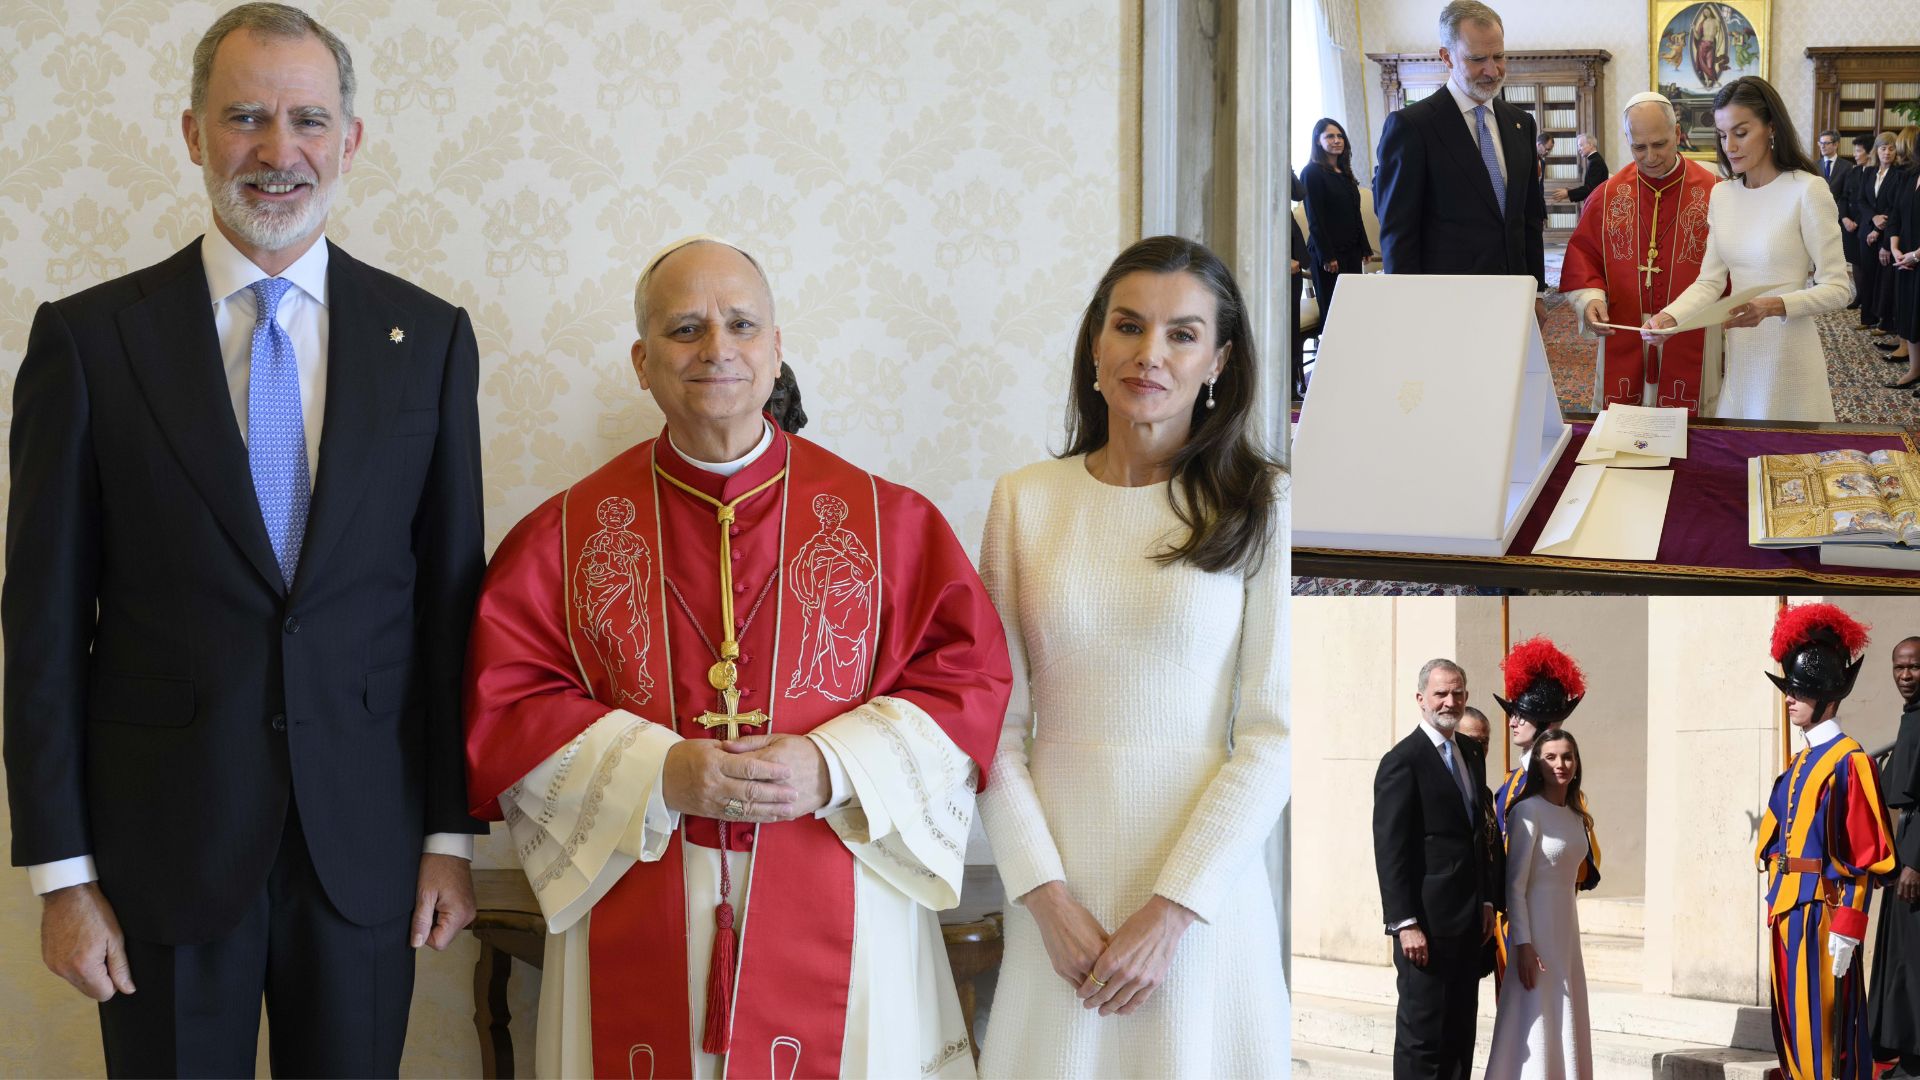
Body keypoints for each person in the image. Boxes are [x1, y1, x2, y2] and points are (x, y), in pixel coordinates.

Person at [1, 5, 485, 1074]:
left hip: (366, 851)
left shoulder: (429, 340)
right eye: (245, 118)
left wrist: (450, 837)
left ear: (349, 140)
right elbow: (41, 629)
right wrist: (62, 875)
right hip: (161, 854)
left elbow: (453, 610)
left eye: (308, 119)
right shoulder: (88, 341)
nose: (279, 150)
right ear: (193, 134)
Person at [462, 237, 1013, 1078]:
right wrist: (657, 772)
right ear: (642, 362)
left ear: (777, 348)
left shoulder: (889, 522)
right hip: (643, 875)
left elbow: (966, 682)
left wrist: (833, 766)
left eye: (742, 324)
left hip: (838, 873)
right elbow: (509, 704)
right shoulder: (563, 535)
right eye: (685, 328)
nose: (717, 347)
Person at [975, 236, 1285, 1078]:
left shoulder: (1262, 502)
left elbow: (1274, 733)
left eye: (1183, 334)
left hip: (1203, 901)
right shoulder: (1024, 502)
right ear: (1095, 342)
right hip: (1058, 896)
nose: (1151, 353)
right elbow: (992, 727)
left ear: (1219, 361)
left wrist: (1174, 908)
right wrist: (1045, 898)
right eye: (1129, 325)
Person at [1645, 76, 1852, 421]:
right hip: (1742, 353)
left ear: (1771, 127)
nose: (1730, 146)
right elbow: (1710, 282)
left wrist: (1774, 305)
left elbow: (1839, 288)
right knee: (1740, 448)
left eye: (1740, 133)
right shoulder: (1722, 194)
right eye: (1722, 135)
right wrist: (1671, 318)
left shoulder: (1807, 190)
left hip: (1789, 356)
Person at [1755, 603, 1895, 1080]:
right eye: (1789, 690)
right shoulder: (1799, 763)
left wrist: (1849, 926)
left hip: (1823, 912)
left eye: (1800, 691)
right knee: (1793, 1030)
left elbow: (1866, 855)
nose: (1789, 699)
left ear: (1827, 696)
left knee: (1825, 1036)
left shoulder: (1850, 760)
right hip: (1786, 908)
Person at [1559, 93, 1722, 412]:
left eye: (1660, 144)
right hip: (1625, 327)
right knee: (1623, 418)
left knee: (1692, 423)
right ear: (1628, 141)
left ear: (1677, 134)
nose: (1651, 157)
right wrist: (1590, 299)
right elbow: (1584, 257)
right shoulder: (1607, 196)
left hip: (1693, 328)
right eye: (1639, 147)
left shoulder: (1714, 191)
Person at [1374, 658, 1498, 1080]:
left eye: (1457, 693)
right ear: (1421, 698)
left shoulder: (1470, 752)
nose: (1450, 701)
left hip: (1469, 923)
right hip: (1425, 927)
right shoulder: (1402, 761)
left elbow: (1477, 835)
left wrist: (1486, 900)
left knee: (1460, 1035)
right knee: (1423, 1038)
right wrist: (1404, 923)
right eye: (1441, 693)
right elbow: (1390, 850)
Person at [1374, 2, 1547, 298]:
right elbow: (1399, 235)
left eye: (1499, 56)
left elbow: (1529, 219)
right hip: (1447, 302)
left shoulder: (1521, 123)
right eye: (1477, 59)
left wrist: (1537, 292)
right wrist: (1406, 304)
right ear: (1447, 57)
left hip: (1515, 296)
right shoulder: (1412, 127)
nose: (1492, 70)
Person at [1488, 638, 1600, 994]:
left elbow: (1584, 864)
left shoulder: (1560, 791)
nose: (1512, 722)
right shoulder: (1512, 781)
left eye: (1521, 715)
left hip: (1539, 917)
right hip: (1504, 915)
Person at [1484, 728, 1594, 1080]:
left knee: (1565, 1014)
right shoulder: (1526, 811)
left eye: (1567, 756)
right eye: (1550, 757)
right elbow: (1515, 885)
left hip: (1566, 930)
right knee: (1533, 1017)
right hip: (1534, 934)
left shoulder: (1576, 815)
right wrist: (1524, 944)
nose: (1560, 764)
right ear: (1538, 765)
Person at [1872, 636, 1920, 1075]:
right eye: (1898, 667)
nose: (1905, 676)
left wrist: (1915, 861)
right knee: (1901, 958)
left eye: (1914, 667)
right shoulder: (1911, 718)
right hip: (1904, 847)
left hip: (1915, 858)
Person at [1301, 118, 1373, 315]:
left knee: (1354, 309)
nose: (1337, 140)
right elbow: (1315, 219)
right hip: (1328, 254)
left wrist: (1364, 246)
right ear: (1318, 141)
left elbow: (1355, 213)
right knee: (1334, 312)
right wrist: (1328, 256)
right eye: (1330, 136)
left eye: (1340, 136)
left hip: (1351, 250)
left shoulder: (1344, 172)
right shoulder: (1311, 173)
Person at [1841, 141, 1873, 301]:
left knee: (1867, 264)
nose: (1855, 154)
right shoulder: (1853, 171)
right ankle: (1859, 297)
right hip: (1849, 225)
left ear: (1870, 152)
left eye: (1858, 151)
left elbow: (1869, 203)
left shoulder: (1875, 172)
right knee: (1855, 262)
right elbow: (1844, 197)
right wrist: (1844, 218)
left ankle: (1867, 299)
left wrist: (1857, 222)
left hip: (1866, 225)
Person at [1550, 133, 1609, 215]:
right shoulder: (1595, 159)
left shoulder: (1595, 162)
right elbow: (1591, 186)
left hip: (1596, 208)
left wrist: (1568, 193)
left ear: (1590, 145)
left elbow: (1590, 189)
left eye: (1581, 145)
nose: (1579, 149)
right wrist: (1571, 191)